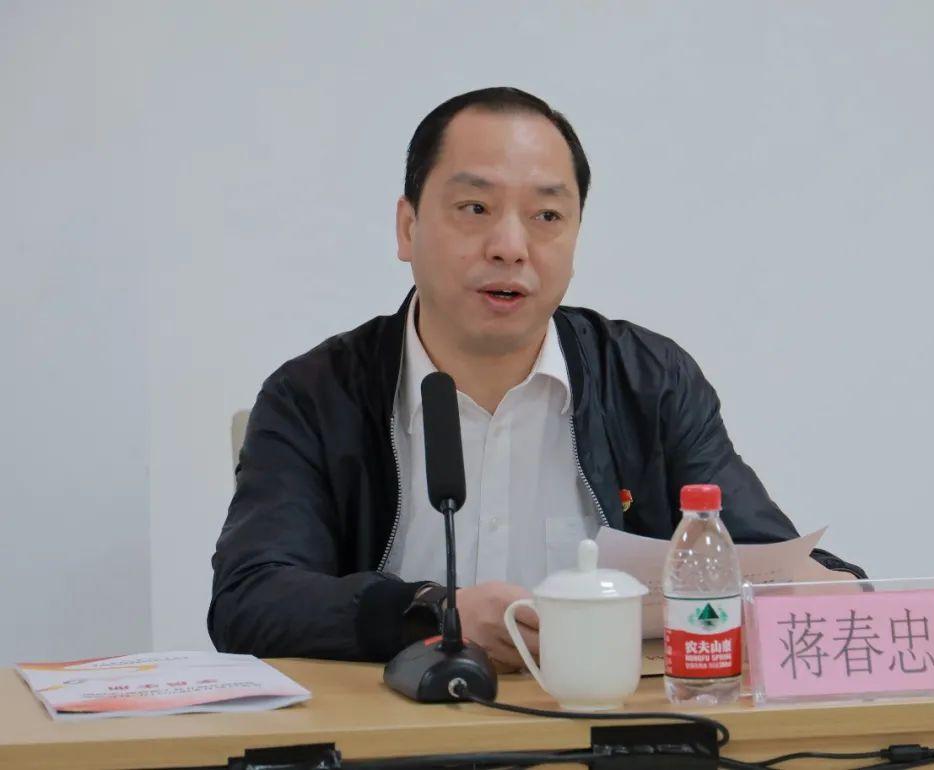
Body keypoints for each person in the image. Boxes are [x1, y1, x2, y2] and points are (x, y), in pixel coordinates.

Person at [209, 87, 864, 671]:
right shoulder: (315, 395)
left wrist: (831, 591)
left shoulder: (646, 381)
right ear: (408, 228)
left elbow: (766, 560)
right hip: (395, 737)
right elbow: (250, 599)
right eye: (474, 207)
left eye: (547, 216)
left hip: (609, 733)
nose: (510, 246)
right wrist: (436, 611)